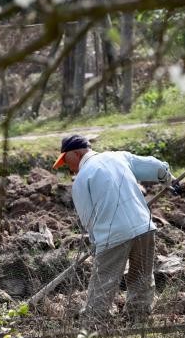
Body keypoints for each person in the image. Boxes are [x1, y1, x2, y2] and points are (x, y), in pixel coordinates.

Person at [53, 134, 176, 322]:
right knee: (141, 277)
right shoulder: (118, 157)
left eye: (66, 161)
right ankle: (138, 320)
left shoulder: (82, 178)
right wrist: (168, 178)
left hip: (113, 235)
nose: (67, 168)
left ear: (77, 154)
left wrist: (96, 244)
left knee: (104, 283)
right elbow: (155, 166)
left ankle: (91, 325)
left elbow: (88, 219)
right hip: (143, 226)